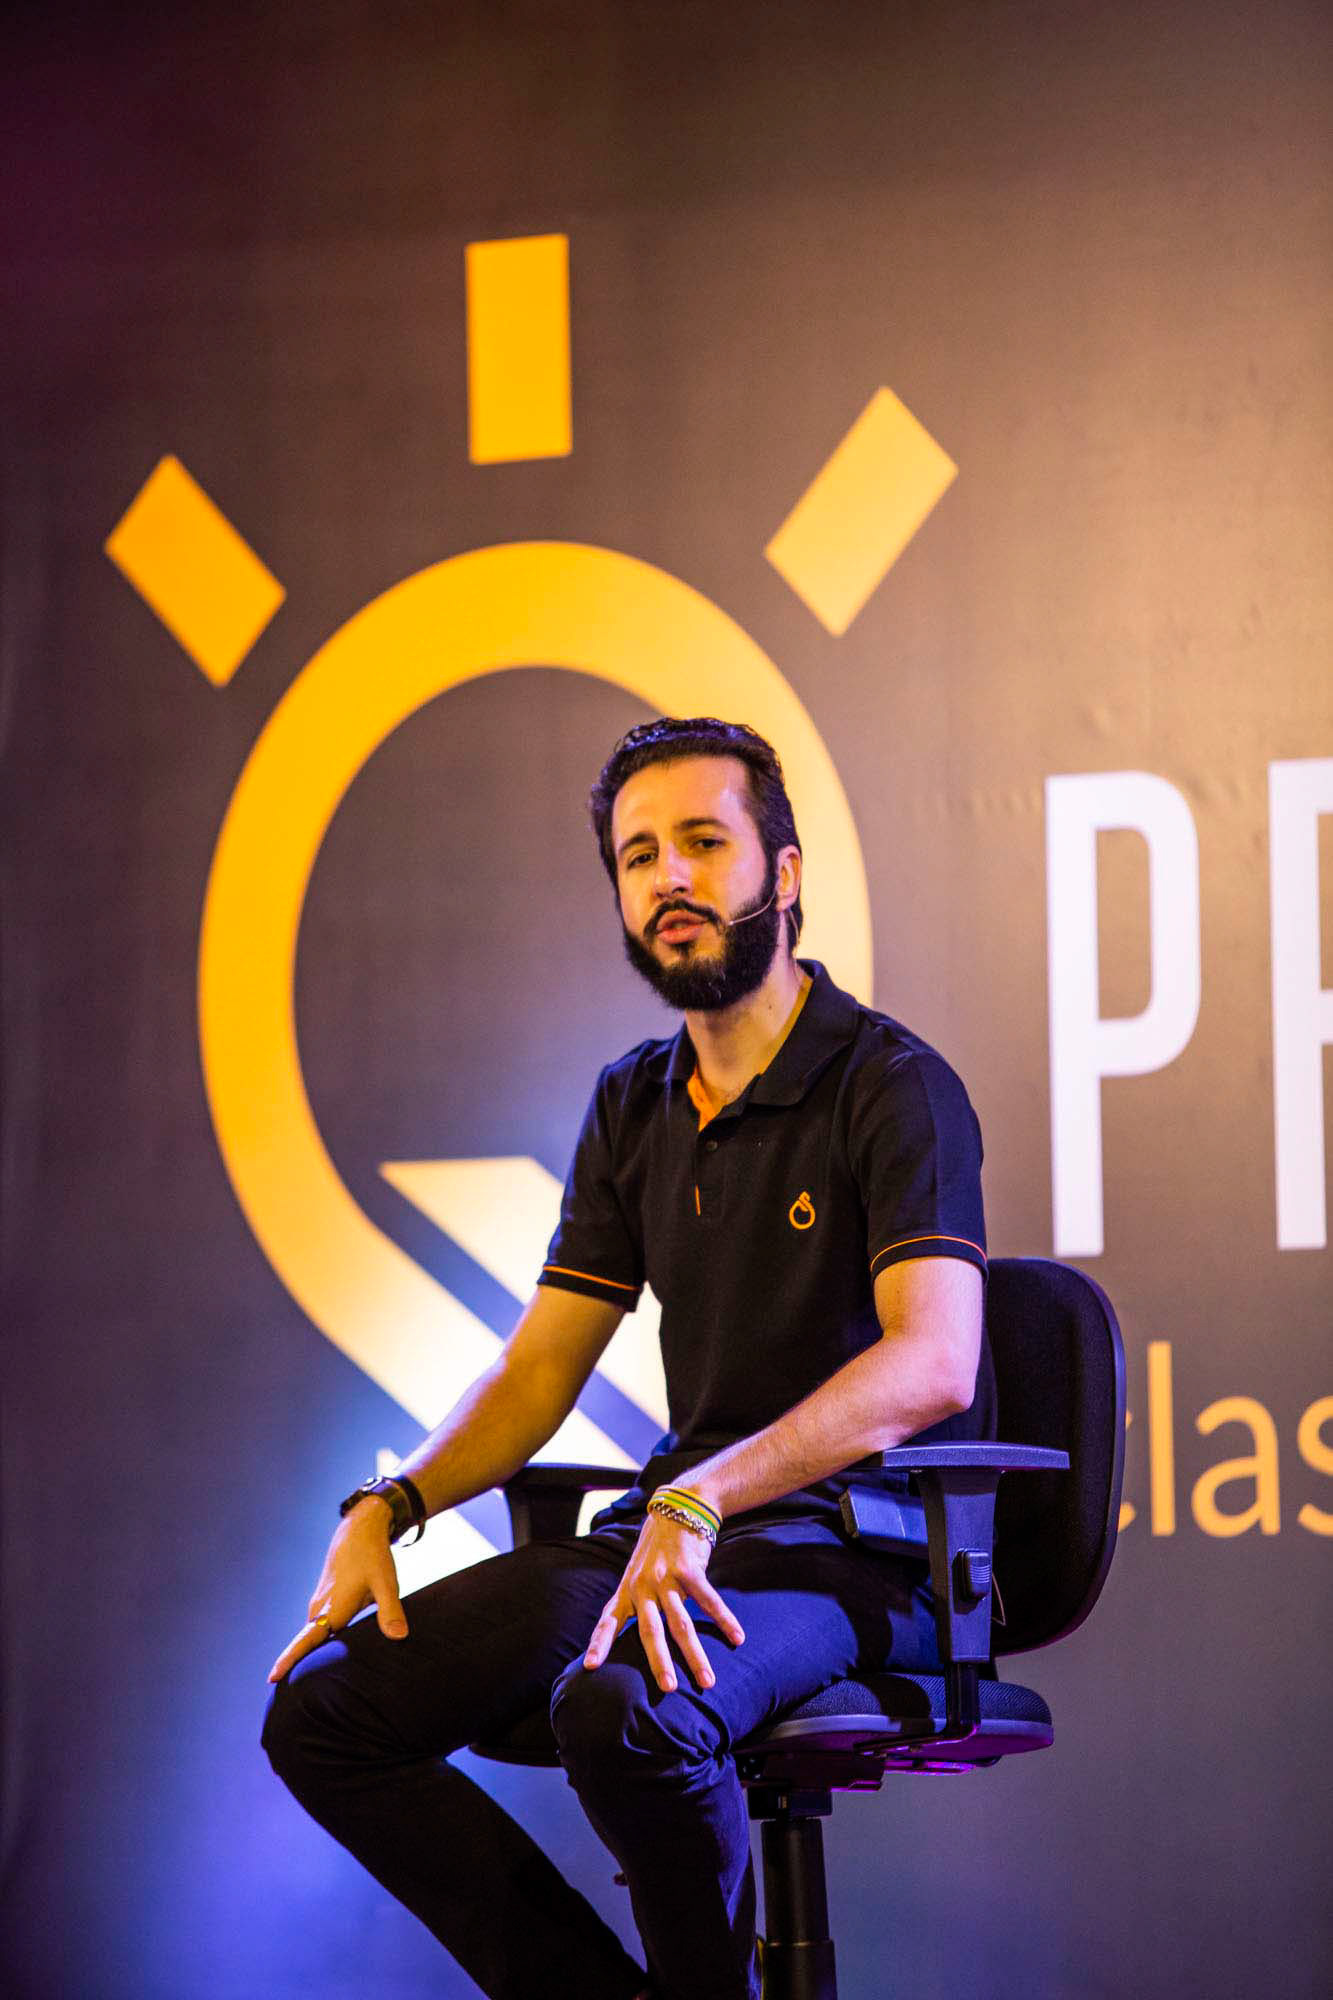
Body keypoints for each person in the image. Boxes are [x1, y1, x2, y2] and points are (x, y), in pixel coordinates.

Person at [262, 716, 993, 2000]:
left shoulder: (891, 1083)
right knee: (323, 1714)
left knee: (618, 1710)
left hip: (849, 1545)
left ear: (785, 871)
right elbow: (538, 1371)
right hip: (663, 1536)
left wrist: (703, 1493)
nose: (669, 878)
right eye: (638, 855)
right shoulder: (632, 1100)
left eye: (703, 842)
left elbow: (934, 1360)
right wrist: (392, 1500)